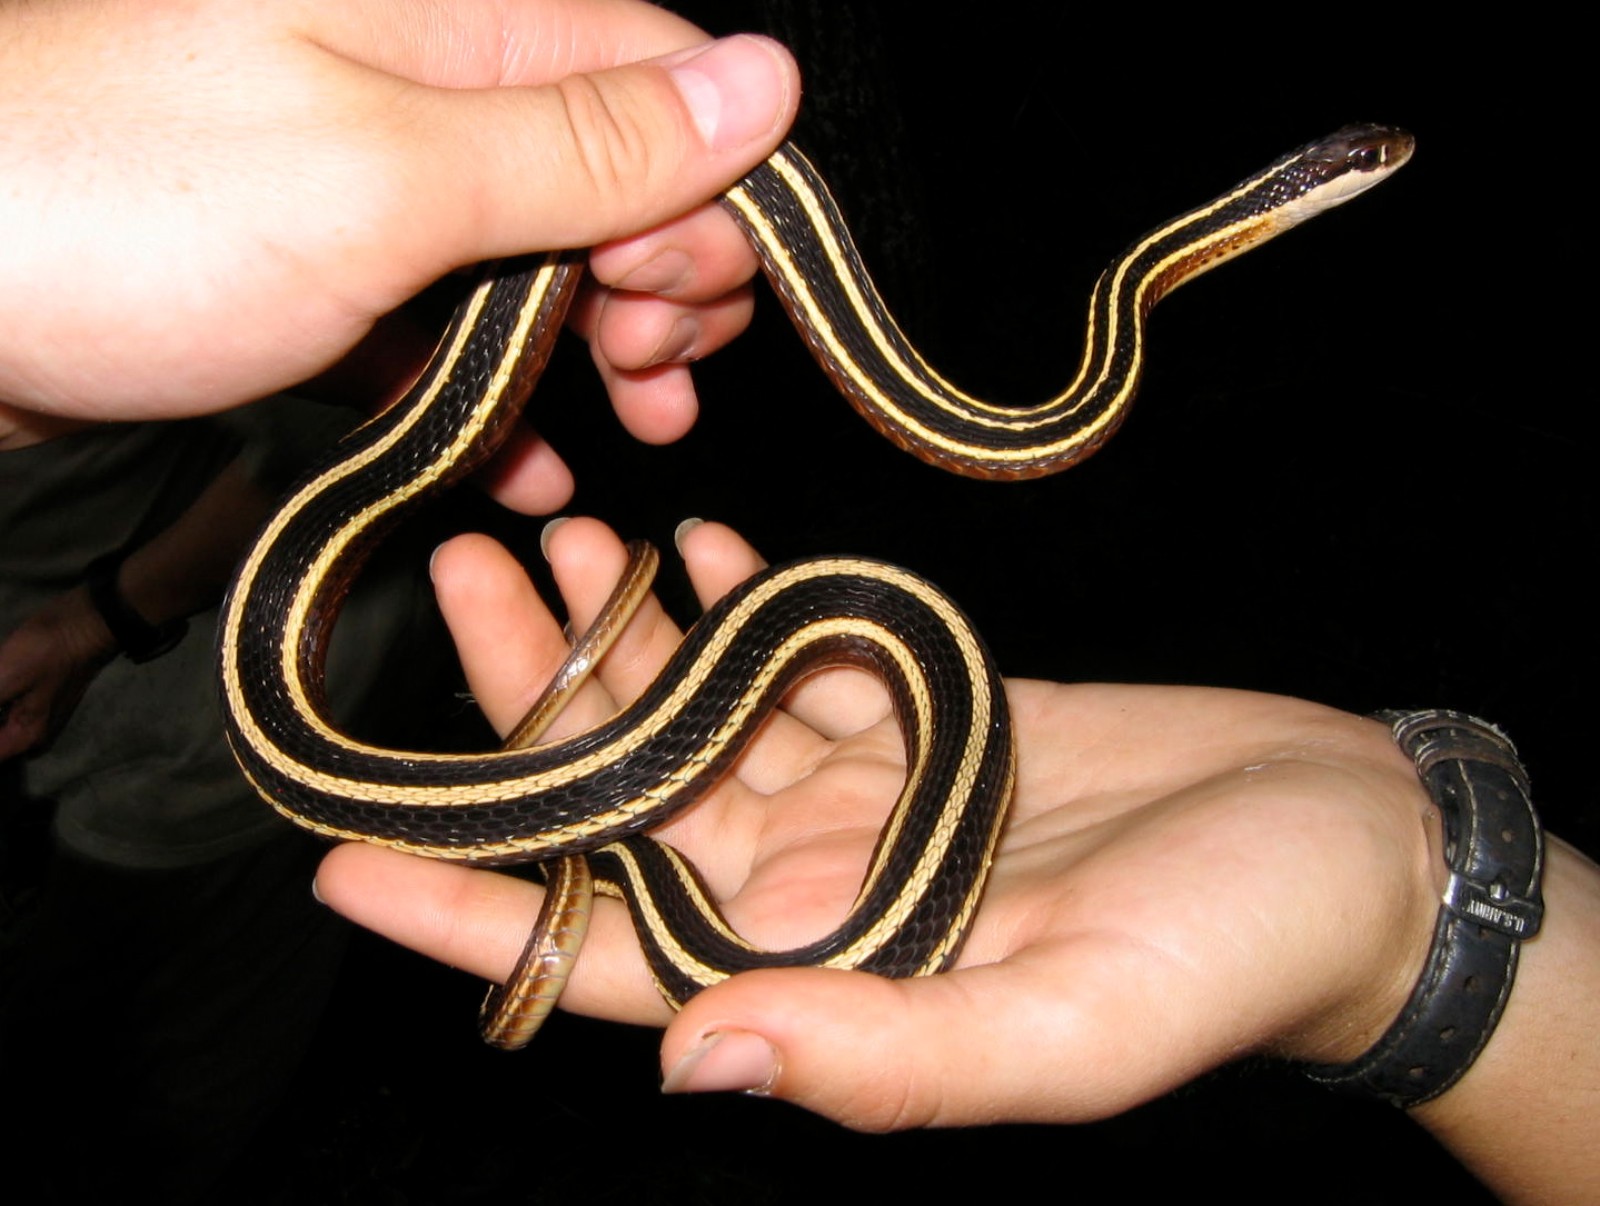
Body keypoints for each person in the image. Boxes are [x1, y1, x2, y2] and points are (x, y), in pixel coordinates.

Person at [1, 3, 1593, 1204]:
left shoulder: (1145, 293)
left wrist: (1411, 904)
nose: (1371, 173)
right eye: (1355, 170)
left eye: (1361, 169)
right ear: (1293, 195)